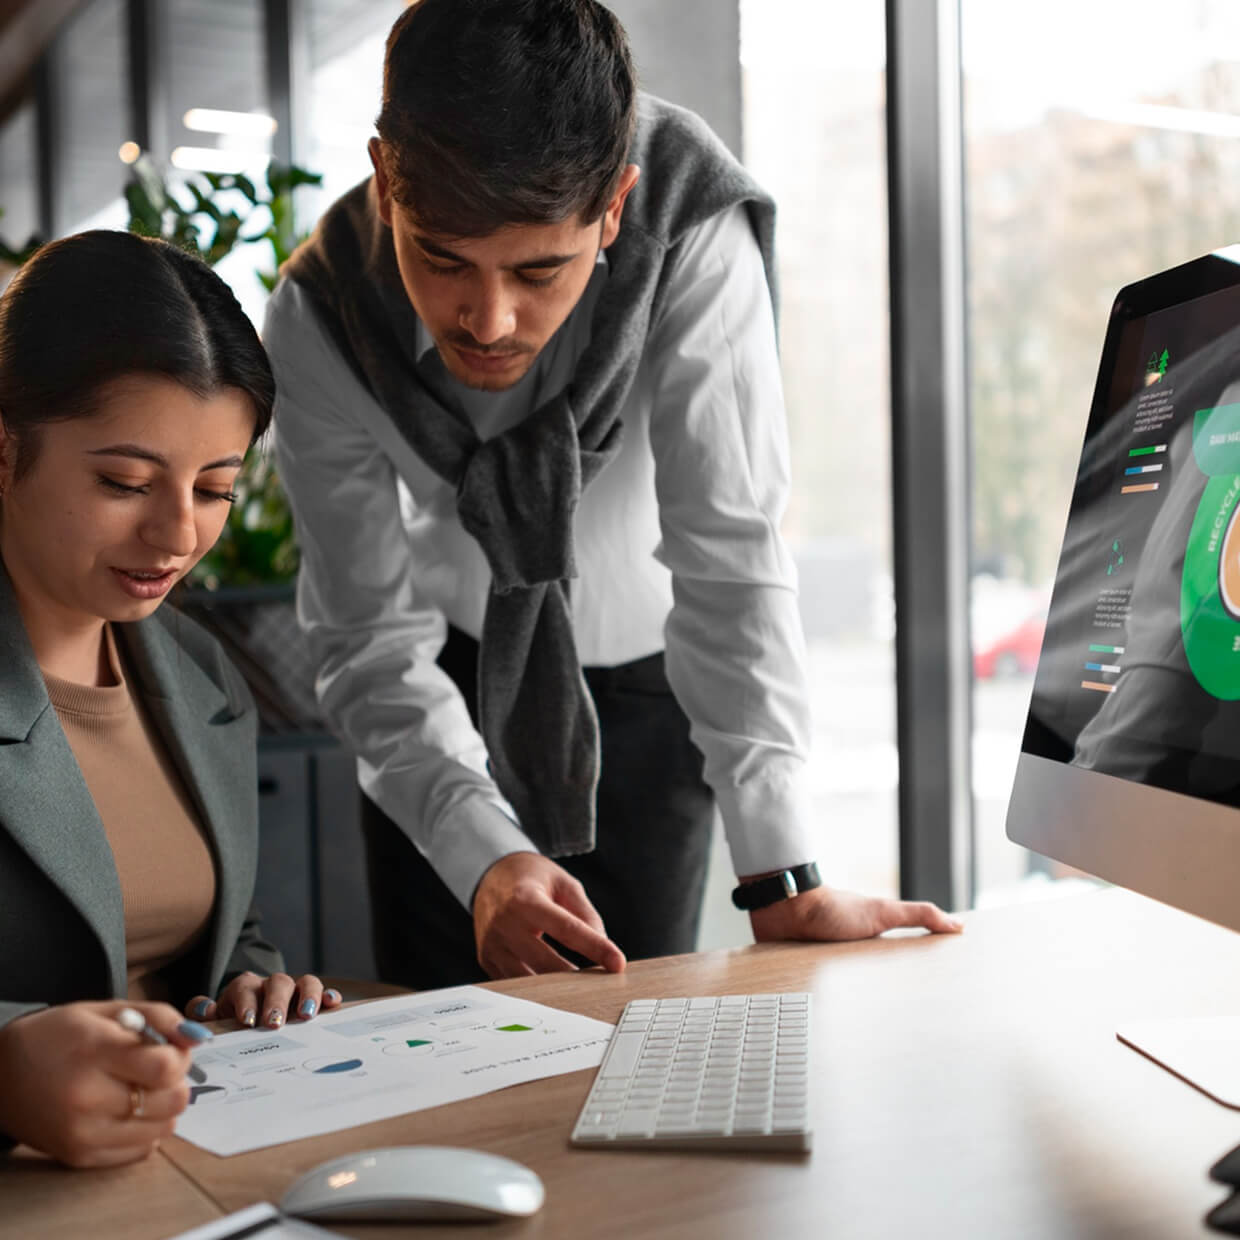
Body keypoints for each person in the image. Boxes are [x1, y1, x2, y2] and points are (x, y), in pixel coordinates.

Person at [265, 0, 962, 991]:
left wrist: (785, 872)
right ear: (386, 182)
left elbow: (730, 551)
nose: (490, 320)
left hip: (652, 688)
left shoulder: (691, 228)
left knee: (648, 1039)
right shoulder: (320, 314)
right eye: (443, 260)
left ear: (615, 207)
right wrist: (481, 853)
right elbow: (365, 633)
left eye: (539, 270)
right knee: (439, 1061)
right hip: (440, 694)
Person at [0, 230, 342, 1168]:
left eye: (215, 488)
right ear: (4, 448)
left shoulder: (195, 668)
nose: (176, 532)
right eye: (125, 482)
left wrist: (251, 986)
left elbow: (221, 931)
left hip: (198, 1166)